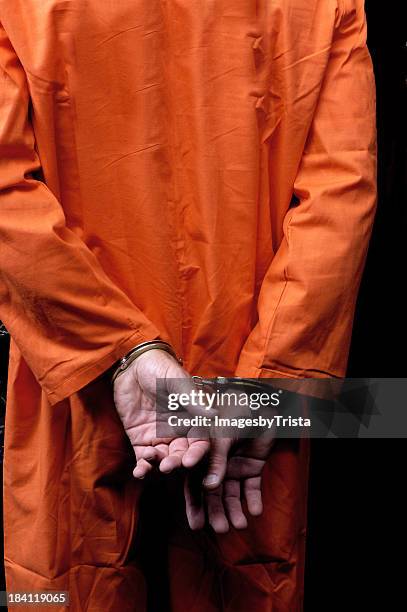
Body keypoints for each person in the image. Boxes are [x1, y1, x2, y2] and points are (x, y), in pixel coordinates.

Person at [0, 0, 376, 610]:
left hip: (79, 387)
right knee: (248, 582)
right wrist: (266, 388)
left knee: (69, 581)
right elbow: (343, 192)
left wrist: (120, 349)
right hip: (247, 404)